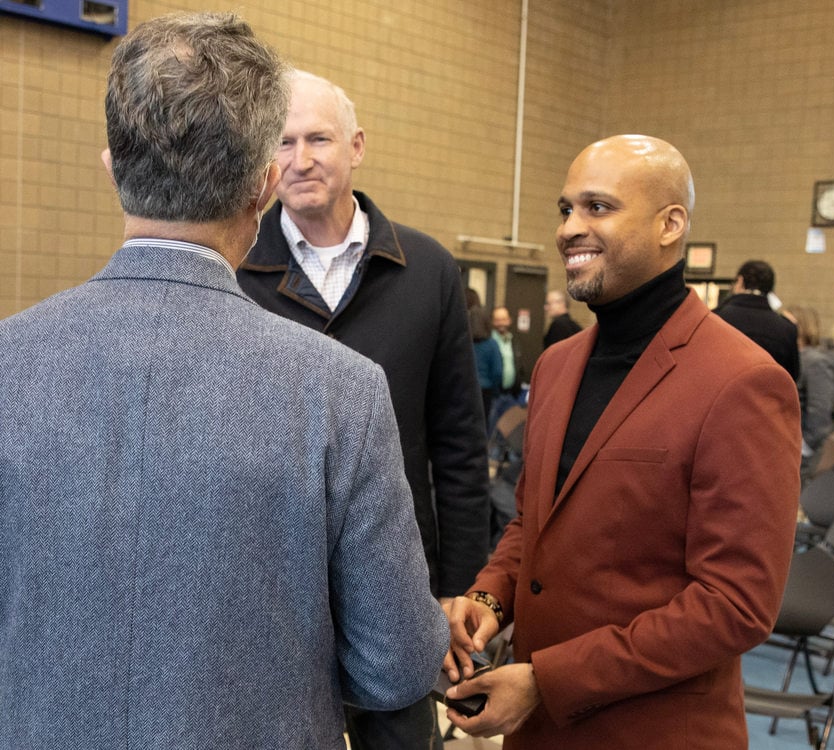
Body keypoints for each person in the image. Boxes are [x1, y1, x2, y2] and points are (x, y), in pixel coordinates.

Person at [0, 13, 447, 749]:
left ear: (112, 168)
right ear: (264, 184)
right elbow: (396, 664)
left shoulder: (10, 364)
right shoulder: (341, 392)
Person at [441, 134, 801, 748]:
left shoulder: (743, 381)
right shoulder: (557, 364)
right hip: (539, 727)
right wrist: (490, 596)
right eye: (565, 210)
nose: (569, 229)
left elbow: (735, 603)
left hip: (653, 732)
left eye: (597, 208)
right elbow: (533, 521)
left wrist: (549, 679)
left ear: (671, 224)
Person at [236, 69, 490, 748]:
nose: (300, 158)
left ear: (357, 146)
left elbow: (459, 443)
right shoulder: (234, 268)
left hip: (397, 577)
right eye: (282, 142)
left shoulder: (428, 270)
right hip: (275, 582)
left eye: (318, 138)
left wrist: (459, 585)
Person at [712, 259, 800, 381]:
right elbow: (792, 377)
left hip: (722, 396)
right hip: (766, 397)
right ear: (771, 289)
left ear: (740, 281)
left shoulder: (714, 318)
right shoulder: (786, 328)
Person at [787, 306, 834, 468]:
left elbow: (820, 410)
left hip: (803, 452)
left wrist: (804, 446)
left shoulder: (816, 361)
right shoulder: (793, 356)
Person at [470, 302, 503, 421]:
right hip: (485, 392)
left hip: (466, 390)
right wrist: (495, 390)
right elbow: (497, 372)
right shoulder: (491, 344)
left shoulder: (464, 344)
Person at [491, 305, 523, 396]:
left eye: (504, 319)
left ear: (509, 320)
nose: (501, 323)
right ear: (492, 321)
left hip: (512, 394)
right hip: (495, 395)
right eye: (498, 320)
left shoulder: (514, 340)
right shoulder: (490, 341)